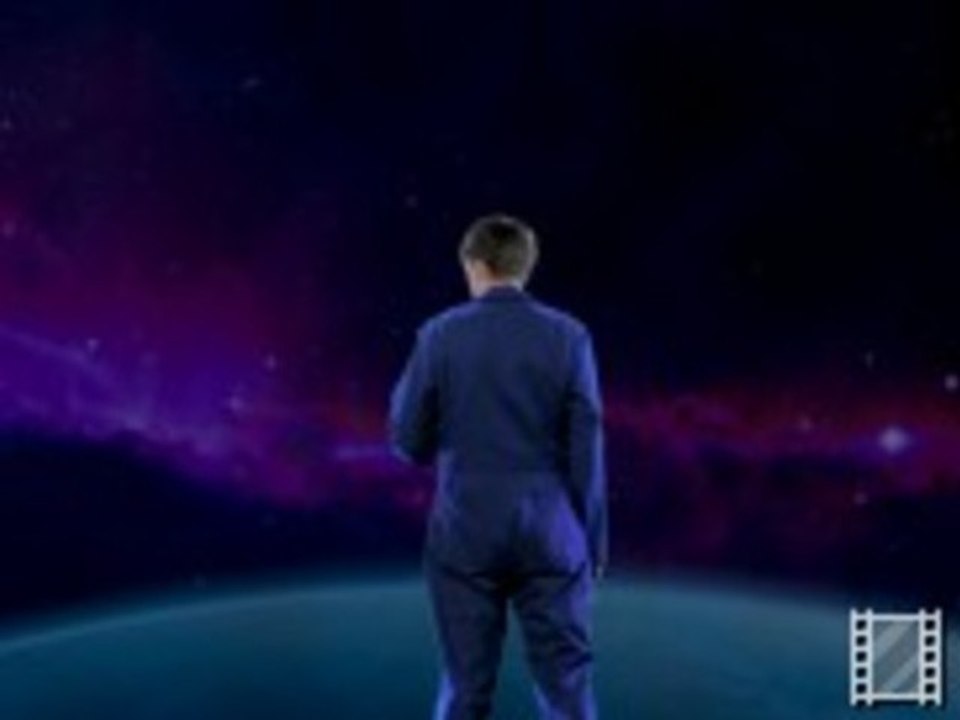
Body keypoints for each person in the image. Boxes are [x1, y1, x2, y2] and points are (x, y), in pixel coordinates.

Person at [388, 214, 607, 719]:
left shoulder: (439, 335)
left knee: (465, 687)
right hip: (553, 531)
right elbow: (588, 447)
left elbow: (407, 440)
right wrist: (592, 543)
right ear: (527, 265)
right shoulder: (570, 336)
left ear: (473, 264)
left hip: (466, 529)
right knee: (567, 688)